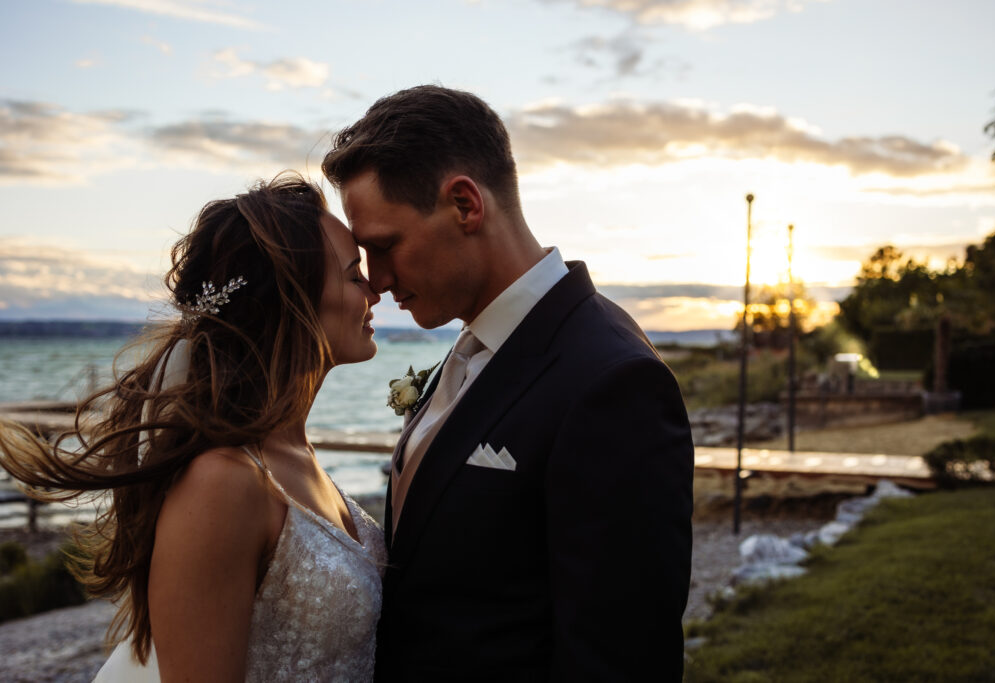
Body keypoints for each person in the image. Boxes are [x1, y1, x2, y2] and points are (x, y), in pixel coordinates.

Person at [322, 85, 694, 681]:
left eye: (384, 247)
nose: (378, 281)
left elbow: (621, 659)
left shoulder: (612, 382)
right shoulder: (474, 349)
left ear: (466, 205)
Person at [0, 174, 386, 681]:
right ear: (293, 300)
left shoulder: (293, 453)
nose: (375, 289)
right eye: (354, 274)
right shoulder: (222, 483)